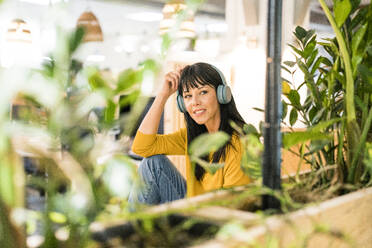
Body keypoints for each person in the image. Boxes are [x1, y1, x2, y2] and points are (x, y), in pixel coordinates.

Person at [128, 62, 251, 207]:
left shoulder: (239, 145)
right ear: (181, 103)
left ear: (222, 94)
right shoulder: (194, 136)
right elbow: (141, 147)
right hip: (195, 206)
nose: (194, 102)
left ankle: (125, 228)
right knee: (152, 163)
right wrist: (162, 95)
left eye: (203, 92)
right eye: (187, 96)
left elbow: (235, 208)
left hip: (215, 217)